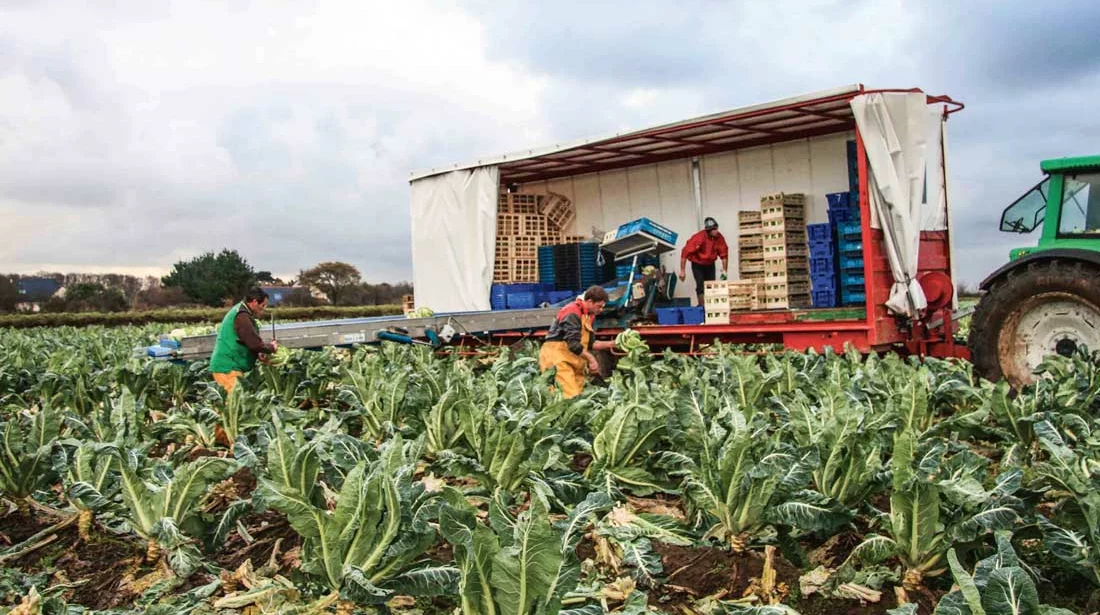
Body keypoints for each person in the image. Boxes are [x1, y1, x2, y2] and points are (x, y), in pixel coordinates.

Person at [539, 285, 617, 398]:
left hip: (572, 361)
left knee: (580, 400)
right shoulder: (572, 312)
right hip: (557, 359)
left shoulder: (588, 316)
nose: (601, 310)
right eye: (599, 306)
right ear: (589, 301)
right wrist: (591, 359)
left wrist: (613, 343)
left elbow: (591, 344)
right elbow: (573, 345)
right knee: (569, 398)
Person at [209, 287, 279, 394]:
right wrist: (271, 347)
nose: (264, 308)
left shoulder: (241, 311)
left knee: (235, 403)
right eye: (263, 305)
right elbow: (254, 343)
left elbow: (246, 341)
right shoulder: (242, 316)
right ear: (255, 302)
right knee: (235, 404)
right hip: (227, 367)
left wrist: (258, 354)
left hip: (230, 366)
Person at [679, 216, 729, 307]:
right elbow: (685, 253)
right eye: (714, 230)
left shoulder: (719, 237)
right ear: (708, 231)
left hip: (710, 264)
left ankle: (711, 307)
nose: (716, 231)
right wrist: (682, 271)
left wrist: (725, 271)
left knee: (711, 285)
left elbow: (724, 254)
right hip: (698, 264)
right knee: (700, 285)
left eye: (716, 228)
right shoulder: (698, 238)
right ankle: (702, 306)